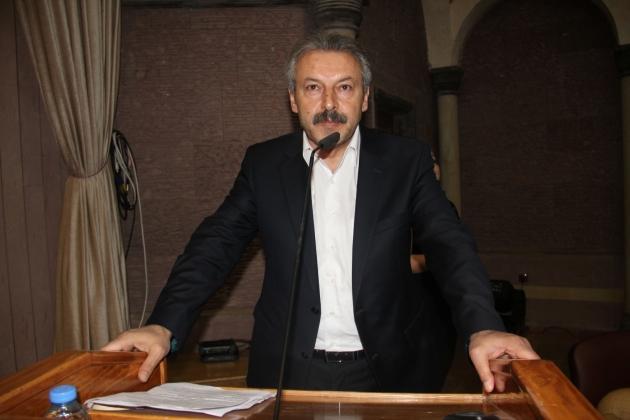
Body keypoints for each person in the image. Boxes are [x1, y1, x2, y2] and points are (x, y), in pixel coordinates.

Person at [103, 31, 538, 393]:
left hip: (390, 367)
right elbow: (214, 246)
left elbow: (449, 244)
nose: (329, 102)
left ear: (364, 98)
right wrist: (162, 325)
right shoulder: (264, 164)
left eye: (344, 87)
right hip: (290, 368)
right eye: (313, 87)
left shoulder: (406, 160)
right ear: (293, 99)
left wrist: (483, 326)